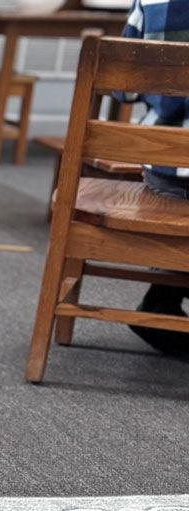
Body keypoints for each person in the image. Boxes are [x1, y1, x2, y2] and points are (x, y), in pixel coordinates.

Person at [122, 0, 189, 357]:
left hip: (165, 172)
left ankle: (161, 301)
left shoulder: (151, 2)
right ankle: (161, 302)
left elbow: (123, 86)